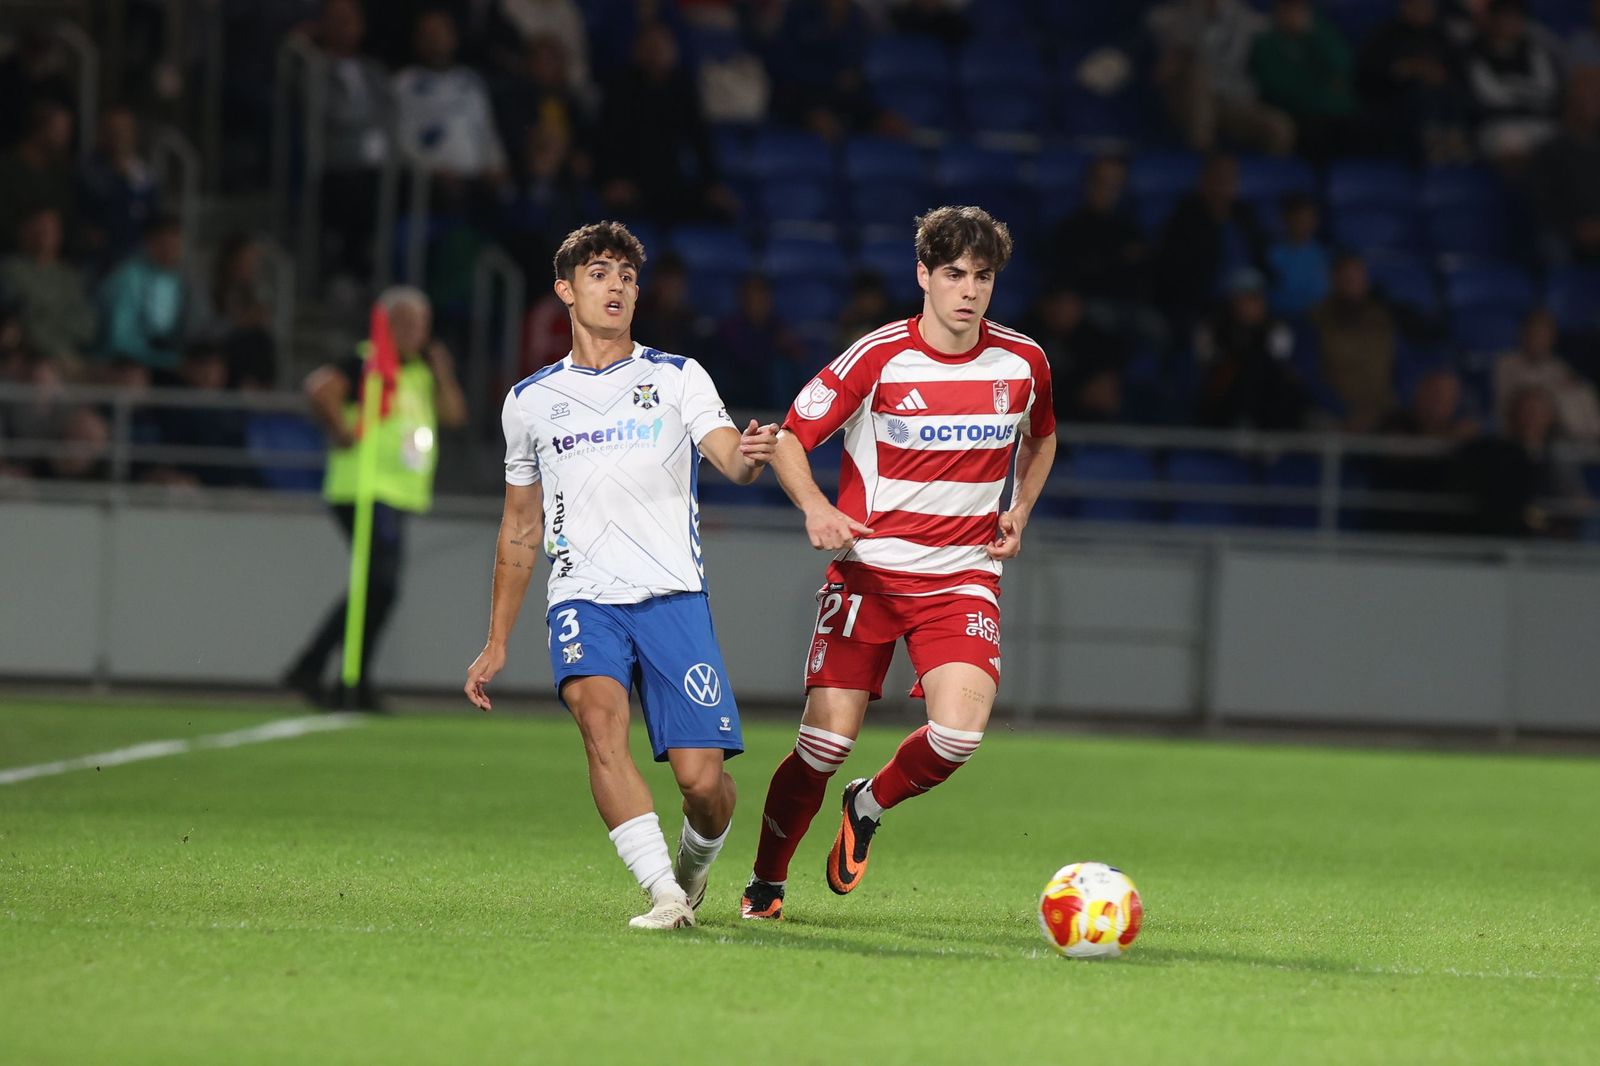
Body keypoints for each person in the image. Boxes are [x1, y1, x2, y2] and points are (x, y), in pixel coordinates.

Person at [740, 206, 1057, 921]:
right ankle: (766, 880)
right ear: (923, 275)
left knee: (958, 736)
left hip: (962, 576)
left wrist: (1022, 508)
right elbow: (789, 437)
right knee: (822, 746)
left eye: (982, 277)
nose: (968, 291)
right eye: (953, 275)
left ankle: (870, 801)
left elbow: (1042, 439)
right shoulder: (878, 358)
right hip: (869, 575)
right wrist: (818, 509)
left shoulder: (1023, 361)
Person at [462, 221, 780, 930]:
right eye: (600, 272)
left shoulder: (677, 377)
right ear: (566, 289)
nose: (617, 286)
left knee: (704, 784)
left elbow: (728, 456)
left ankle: (693, 866)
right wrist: (496, 639)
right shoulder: (530, 401)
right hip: (583, 599)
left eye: (628, 277)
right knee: (599, 724)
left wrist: (753, 456)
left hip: (672, 597)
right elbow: (520, 524)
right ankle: (665, 894)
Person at [283, 286, 468, 710]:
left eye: (420, 324)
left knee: (377, 588)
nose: (413, 332)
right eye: (403, 323)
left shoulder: (420, 371)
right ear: (385, 324)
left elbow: (454, 414)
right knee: (380, 586)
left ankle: (335, 675)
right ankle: (332, 674)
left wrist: (443, 372)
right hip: (365, 490)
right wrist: (341, 432)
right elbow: (320, 388)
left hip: (396, 494)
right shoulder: (369, 360)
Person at [1147, 0, 1294, 155]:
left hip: (1233, 102)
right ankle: (1203, 158)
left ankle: (1266, 177)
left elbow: (1277, 26)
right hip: (1190, 103)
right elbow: (1163, 71)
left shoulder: (1242, 17)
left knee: (1280, 128)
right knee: (1198, 71)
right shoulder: (1168, 17)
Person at [1249, 0, 1359, 161]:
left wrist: (1313, 36)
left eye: (1300, 8)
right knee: (1316, 131)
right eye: (1289, 8)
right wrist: (1323, 90)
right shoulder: (1266, 42)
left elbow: (1342, 66)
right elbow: (1278, 87)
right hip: (1296, 112)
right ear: (1278, 10)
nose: (1295, 14)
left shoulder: (1320, 33)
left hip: (1333, 111)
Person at [0, 207, 97, 374]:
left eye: (49, 230)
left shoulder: (70, 276)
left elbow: (86, 326)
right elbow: (22, 321)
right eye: (38, 229)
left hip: (73, 357)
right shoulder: (9, 271)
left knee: (129, 378)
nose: (43, 235)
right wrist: (56, 351)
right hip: (30, 358)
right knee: (42, 373)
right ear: (23, 232)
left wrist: (66, 350)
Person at [1309, 252, 1396, 431]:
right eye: (1347, 278)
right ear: (1333, 281)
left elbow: (1400, 367)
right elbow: (1309, 376)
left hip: (1381, 412)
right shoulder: (1314, 321)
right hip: (1334, 414)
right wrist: (1344, 411)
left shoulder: (1383, 319)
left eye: (1358, 278)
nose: (1353, 285)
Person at [1492, 307, 1600, 440]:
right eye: (1535, 333)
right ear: (1523, 334)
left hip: (1556, 427)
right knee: (1536, 405)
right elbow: (1507, 404)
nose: (1539, 340)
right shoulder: (1506, 363)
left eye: (1545, 335)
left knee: (1583, 392)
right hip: (1521, 427)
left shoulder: (1558, 366)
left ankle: (1592, 440)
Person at [96, 214, 186, 373]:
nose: (171, 249)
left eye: (175, 242)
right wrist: (164, 359)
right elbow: (119, 340)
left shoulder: (178, 280)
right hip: (121, 361)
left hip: (162, 360)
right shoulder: (127, 278)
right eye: (164, 243)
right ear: (149, 243)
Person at [1265, 192, 1330, 317]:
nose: (1304, 223)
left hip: (1319, 319)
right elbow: (1271, 297)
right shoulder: (1272, 254)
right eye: (1298, 218)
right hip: (1283, 318)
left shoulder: (1323, 254)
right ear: (1286, 219)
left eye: (1308, 218)